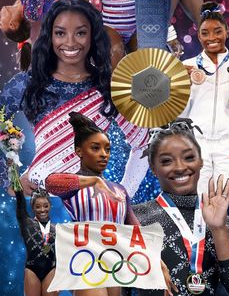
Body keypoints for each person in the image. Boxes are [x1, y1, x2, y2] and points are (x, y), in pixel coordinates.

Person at [0, 0, 149, 198]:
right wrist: (11, 179)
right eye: (60, 33)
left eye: (80, 33)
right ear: (50, 36)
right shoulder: (25, 84)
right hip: (37, 208)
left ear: (93, 37)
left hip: (90, 212)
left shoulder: (110, 88)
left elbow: (143, 146)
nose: (70, 42)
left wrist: (123, 195)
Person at [45, 112, 174, 296]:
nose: (103, 155)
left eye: (107, 149)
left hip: (114, 263)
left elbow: (134, 230)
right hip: (85, 261)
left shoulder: (119, 189)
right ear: (79, 151)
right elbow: (51, 182)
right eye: (95, 148)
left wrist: (157, 261)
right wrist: (93, 182)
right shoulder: (73, 185)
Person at [133, 120, 229, 295]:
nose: (180, 167)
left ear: (201, 162)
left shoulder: (228, 225)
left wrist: (219, 230)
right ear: (153, 168)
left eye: (189, 157)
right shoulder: (135, 218)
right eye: (167, 161)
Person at [180, 1, 229, 203]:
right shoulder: (185, 67)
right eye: (205, 33)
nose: (211, 38)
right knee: (199, 207)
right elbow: (174, 113)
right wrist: (177, 86)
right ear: (198, 35)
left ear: (227, 32)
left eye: (217, 31)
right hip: (196, 147)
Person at [15, 188, 57, 296]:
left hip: (51, 271)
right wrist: (17, 188)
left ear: (50, 206)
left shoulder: (57, 229)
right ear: (32, 207)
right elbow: (20, 202)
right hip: (32, 271)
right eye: (37, 206)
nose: (42, 209)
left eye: (45, 206)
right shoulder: (27, 223)